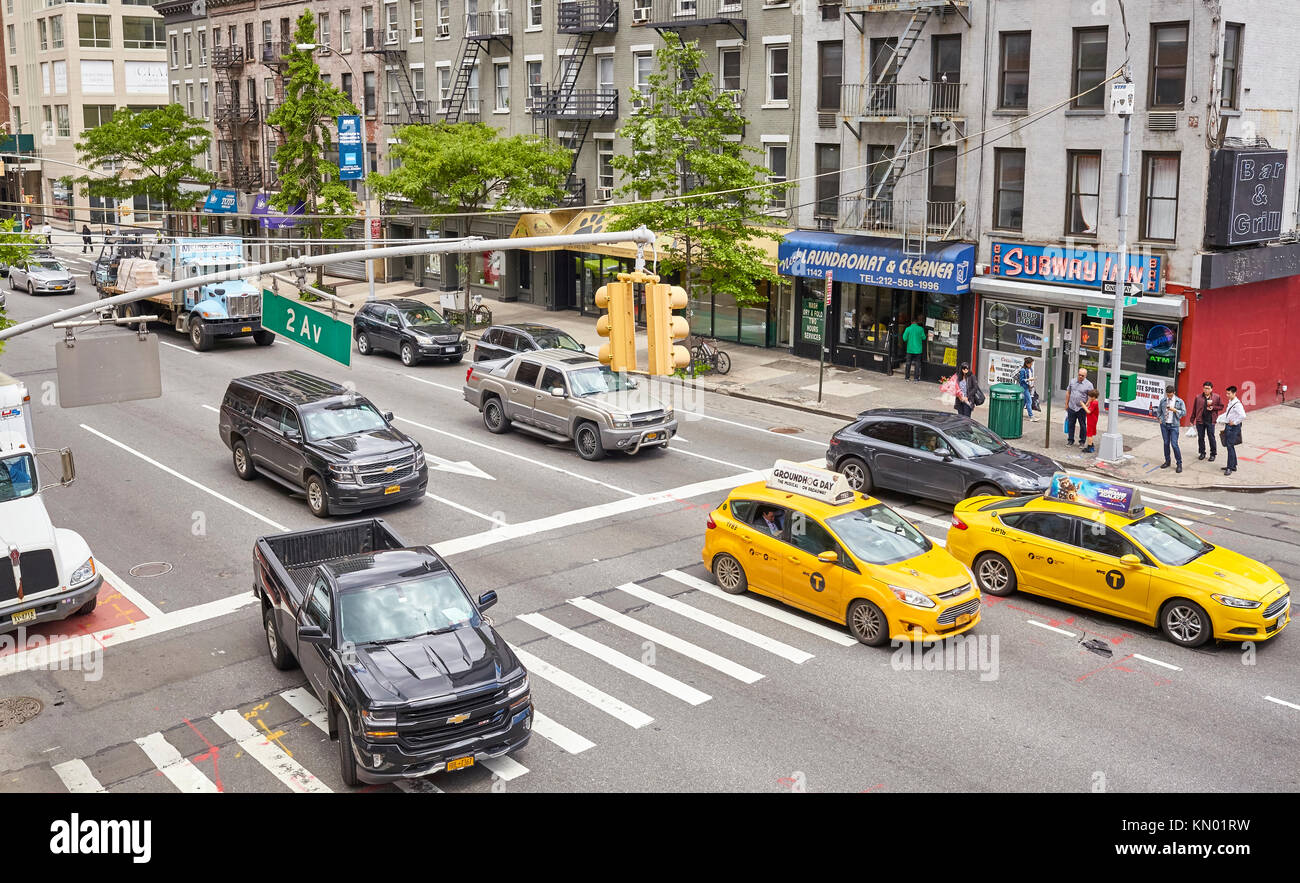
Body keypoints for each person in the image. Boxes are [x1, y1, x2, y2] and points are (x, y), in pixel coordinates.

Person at [1189, 380, 1224, 463]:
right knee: (1201, 438)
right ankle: (1202, 453)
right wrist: (1192, 419)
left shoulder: (1216, 397)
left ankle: (1213, 454)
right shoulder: (1198, 397)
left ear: (1211, 389)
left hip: (1211, 420)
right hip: (1200, 420)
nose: (1206, 390)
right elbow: (1194, 409)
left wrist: (1213, 408)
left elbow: (1221, 407)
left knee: (1211, 437)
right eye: (1205, 388)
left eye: (1208, 388)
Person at [1155, 384, 1186, 473]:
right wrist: (1159, 418)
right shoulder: (1163, 401)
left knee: (1174, 444)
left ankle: (1179, 463)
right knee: (1165, 443)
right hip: (1164, 425)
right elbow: (1159, 411)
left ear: (1174, 393)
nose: (1169, 396)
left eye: (1170, 395)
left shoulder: (1179, 401)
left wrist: (1175, 410)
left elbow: (1184, 413)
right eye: (1168, 395)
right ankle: (1167, 461)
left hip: (1174, 425)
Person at [1219, 385, 1245, 476]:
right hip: (1229, 426)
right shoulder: (1231, 402)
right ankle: (1233, 465)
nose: (1227, 395)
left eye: (1229, 393)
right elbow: (1228, 413)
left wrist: (1234, 422)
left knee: (1230, 446)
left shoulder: (1237, 404)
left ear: (1234, 393)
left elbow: (1243, 416)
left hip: (1233, 427)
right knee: (1230, 446)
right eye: (1226, 393)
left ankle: (1230, 467)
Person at [1065, 367, 1094, 447]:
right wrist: (1066, 404)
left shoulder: (1089, 385)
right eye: (1079, 375)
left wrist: (1086, 405)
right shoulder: (1072, 381)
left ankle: (1082, 441)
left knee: (1082, 425)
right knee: (1071, 424)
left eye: (1082, 376)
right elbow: (1068, 392)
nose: (1080, 377)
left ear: (1085, 376)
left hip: (1081, 409)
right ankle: (1070, 440)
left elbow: (1091, 397)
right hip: (1072, 406)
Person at [1016, 357, 1037, 421]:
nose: (1031, 365)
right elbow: (1021, 380)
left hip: (1028, 387)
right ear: (1027, 364)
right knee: (1029, 401)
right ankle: (1031, 416)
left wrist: (1031, 383)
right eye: (1031, 364)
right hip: (1024, 388)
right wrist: (1029, 379)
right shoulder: (1023, 370)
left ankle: (1018, 413)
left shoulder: (1030, 369)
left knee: (1024, 402)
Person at [1082, 388, 1101, 454]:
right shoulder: (1093, 401)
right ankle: (1090, 444)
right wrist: (1088, 402)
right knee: (1090, 433)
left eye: (1090, 397)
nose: (1089, 398)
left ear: (1093, 397)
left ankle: (1090, 447)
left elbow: (1088, 411)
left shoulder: (1094, 403)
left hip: (1092, 420)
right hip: (1091, 419)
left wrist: (1083, 405)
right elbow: (1088, 405)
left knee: (1089, 434)